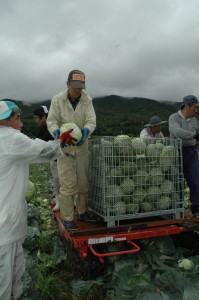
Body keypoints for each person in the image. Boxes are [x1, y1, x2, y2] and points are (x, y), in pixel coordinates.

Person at [0, 100, 75, 300]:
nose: (21, 124)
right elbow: (43, 152)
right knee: (5, 280)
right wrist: (61, 141)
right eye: (17, 119)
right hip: (4, 226)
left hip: (6, 224)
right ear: (5, 122)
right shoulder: (11, 138)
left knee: (14, 272)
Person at [47, 69, 96, 231]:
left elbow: (91, 120)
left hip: (81, 148)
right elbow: (52, 121)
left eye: (80, 87)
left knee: (83, 183)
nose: (78, 90)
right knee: (67, 185)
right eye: (75, 87)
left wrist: (86, 131)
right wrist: (56, 132)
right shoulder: (57, 100)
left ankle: (82, 211)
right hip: (65, 148)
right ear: (67, 84)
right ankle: (68, 217)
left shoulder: (87, 100)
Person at [169, 95, 199, 217]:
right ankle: (177, 209)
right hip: (177, 151)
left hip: (191, 152)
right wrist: (194, 135)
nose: (196, 110)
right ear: (187, 106)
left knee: (195, 180)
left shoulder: (195, 121)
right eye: (195, 107)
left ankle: (196, 208)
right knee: (178, 181)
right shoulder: (174, 118)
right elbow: (177, 132)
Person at [33, 105, 60, 211]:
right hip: (55, 158)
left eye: (36, 117)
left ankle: (72, 202)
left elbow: (43, 140)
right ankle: (59, 201)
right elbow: (39, 139)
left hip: (62, 156)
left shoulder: (52, 125)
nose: (35, 120)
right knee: (57, 180)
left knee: (66, 181)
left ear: (43, 116)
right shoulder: (43, 127)